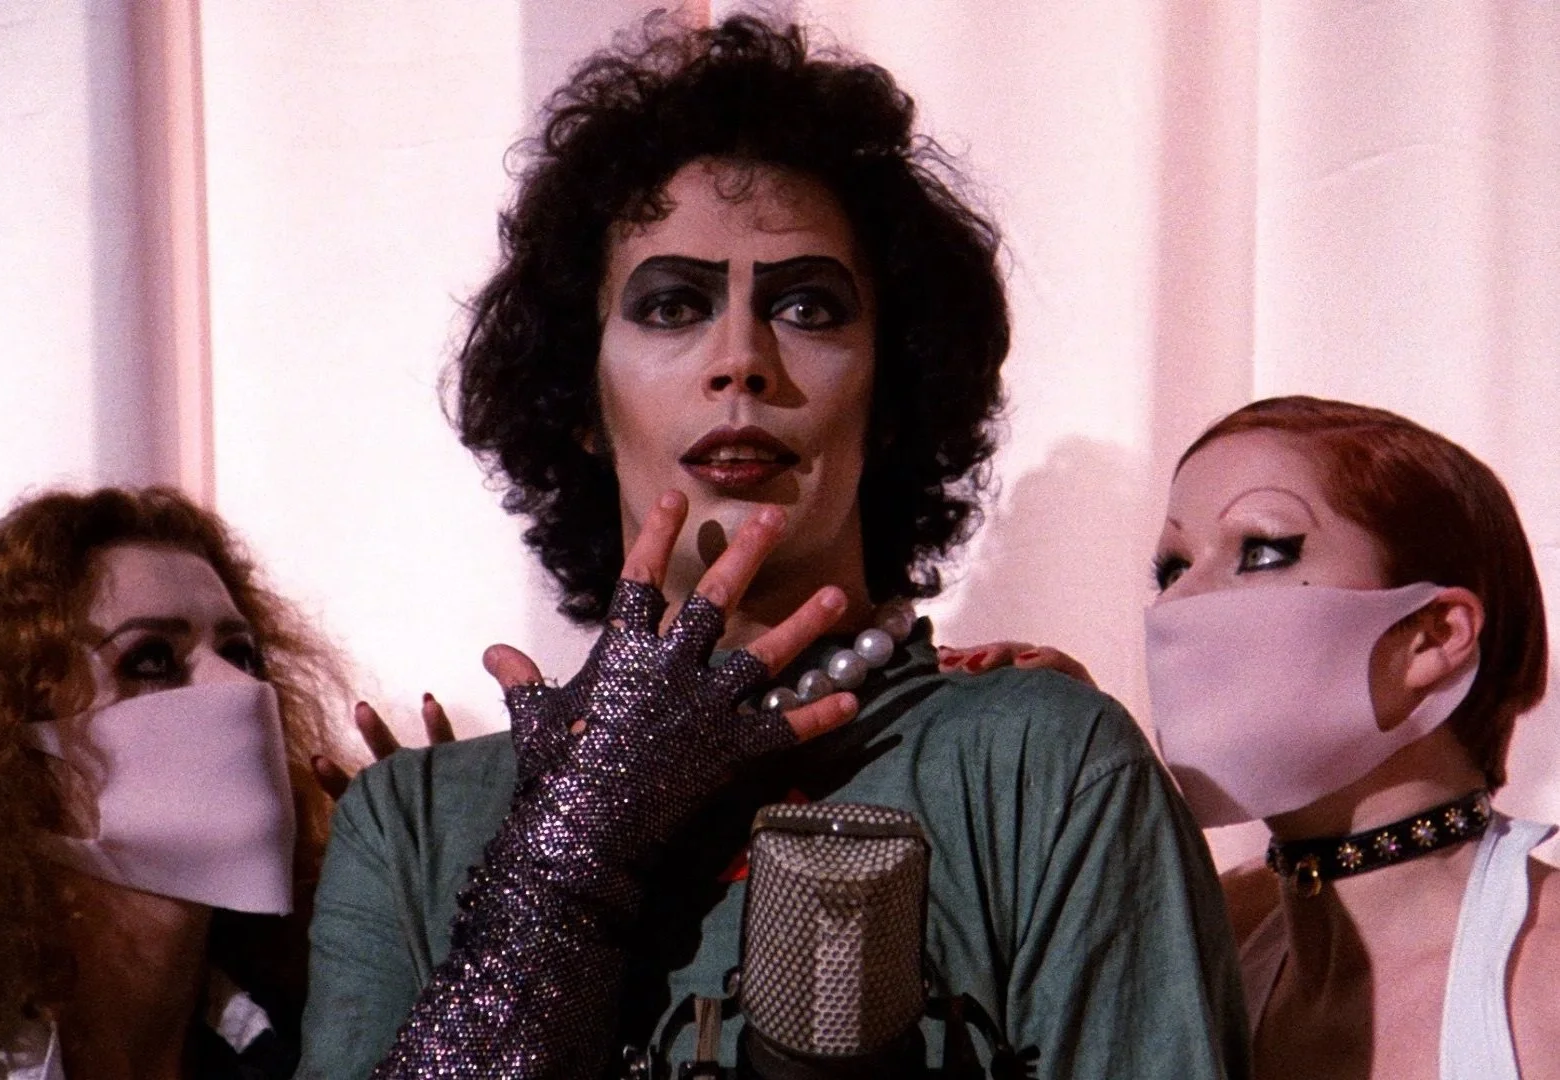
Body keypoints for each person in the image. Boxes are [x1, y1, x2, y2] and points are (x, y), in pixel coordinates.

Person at [300, 16, 1248, 1079]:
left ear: (892, 394)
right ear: (579, 397)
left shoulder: (1041, 764)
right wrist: (564, 863)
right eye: (673, 305)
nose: (742, 360)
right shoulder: (418, 823)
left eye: (807, 306)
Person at [948, 395, 1560, 1078]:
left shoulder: (1547, 971)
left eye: (1262, 551)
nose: (1176, 603)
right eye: (1173, 568)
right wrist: (1072, 775)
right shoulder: (1202, 934)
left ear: (1432, 636)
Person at [0, 487, 347, 1079]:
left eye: (242, 653)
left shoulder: (320, 1035)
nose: (243, 688)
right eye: (153, 659)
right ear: (0, 737)